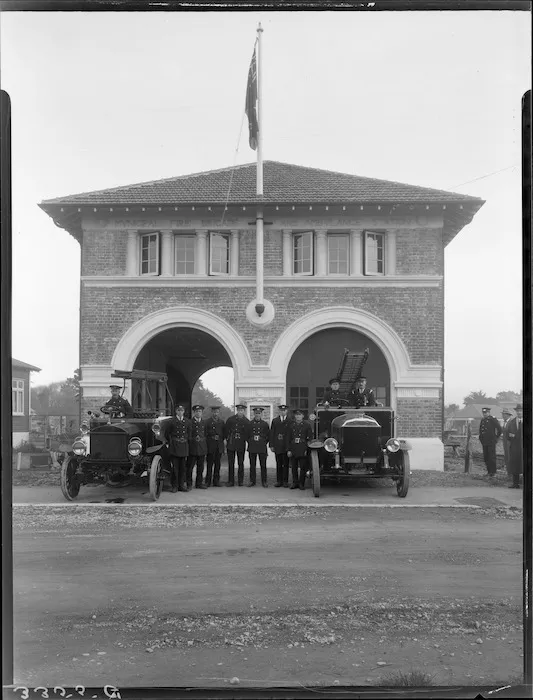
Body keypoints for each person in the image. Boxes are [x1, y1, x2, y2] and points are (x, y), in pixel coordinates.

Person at [161, 404, 191, 493]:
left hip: (184, 445)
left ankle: (181, 485)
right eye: (178, 410)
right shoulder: (171, 422)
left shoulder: (187, 422)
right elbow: (167, 433)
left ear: (184, 412)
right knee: (175, 468)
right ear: (176, 411)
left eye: (182, 411)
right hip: (174, 445)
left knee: (183, 467)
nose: (180, 412)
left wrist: (186, 441)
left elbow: (189, 433)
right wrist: (170, 442)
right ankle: (174, 485)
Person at [287, 409, 314, 490]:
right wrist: (288, 449)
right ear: (295, 416)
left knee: (303, 467)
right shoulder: (291, 425)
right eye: (297, 415)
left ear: (303, 416)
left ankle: (302, 483)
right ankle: (295, 483)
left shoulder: (307, 425)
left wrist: (307, 449)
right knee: (294, 467)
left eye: (300, 415)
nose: (298, 416)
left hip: (303, 448)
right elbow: (288, 438)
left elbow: (310, 439)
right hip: (293, 447)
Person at [224, 404, 250, 487]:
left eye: (242, 410)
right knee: (231, 463)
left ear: (244, 411)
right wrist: (226, 439)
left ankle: (240, 481)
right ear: (237, 411)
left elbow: (248, 434)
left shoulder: (246, 421)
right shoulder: (230, 420)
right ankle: (231, 481)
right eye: (239, 410)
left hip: (240, 443)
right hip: (231, 443)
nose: (240, 412)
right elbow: (226, 430)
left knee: (240, 463)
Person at [247, 407, 270, 487]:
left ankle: (264, 481)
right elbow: (247, 435)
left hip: (262, 447)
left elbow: (268, 436)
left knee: (263, 465)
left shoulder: (265, 424)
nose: (257, 415)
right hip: (252, 446)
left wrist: (262, 442)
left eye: (259, 413)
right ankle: (252, 481)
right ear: (254, 414)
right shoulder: (249, 424)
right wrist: (251, 441)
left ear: (261, 414)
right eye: (256, 413)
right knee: (252, 465)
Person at [270, 404, 292, 487]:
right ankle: (279, 481)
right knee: (279, 463)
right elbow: (272, 433)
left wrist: (290, 447)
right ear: (279, 411)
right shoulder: (275, 421)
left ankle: (285, 481)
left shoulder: (290, 421)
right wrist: (271, 445)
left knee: (286, 464)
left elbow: (291, 434)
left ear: (287, 411)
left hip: (286, 445)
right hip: (277, 445)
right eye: (281, 410)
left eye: (284, 410)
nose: (283, 412)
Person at [187, 404, 208, 490]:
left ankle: (199, 483)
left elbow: (206, 434)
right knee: (190, 467)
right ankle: (189, 484)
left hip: (202, 448)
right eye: (196, 411)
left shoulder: (204, 423)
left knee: (201, 467)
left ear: (202, 413)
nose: (198, 413)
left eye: (199, 411)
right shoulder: (189, 422)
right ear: (194, 413)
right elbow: (188, 435)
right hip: (193, 448)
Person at [478, 406, 502, 477]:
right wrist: (481, 438)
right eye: (484, 413)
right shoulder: (483, 420)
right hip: (484, 442)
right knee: (486, 457)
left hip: (491, 441)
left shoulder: (492, 419)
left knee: (492, 457)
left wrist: (496, 438)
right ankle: (489, 472)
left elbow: (499, 429)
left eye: (486, 413)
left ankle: (493, 472)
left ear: (489, 412)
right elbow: (481, 431)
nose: (485, 414)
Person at [205, 406, 225, 487]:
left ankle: (216, 481)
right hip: (210, 445)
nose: (215, 414)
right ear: (212, 412)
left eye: (217, 412)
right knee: (209, 464)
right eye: (214, 412)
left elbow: (224, 433)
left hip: (219, 445)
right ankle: (208, 481)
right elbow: (205, 434)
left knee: (218, 464)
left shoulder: (221, 422)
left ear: (218, 412)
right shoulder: (207, 422)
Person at [504, 403, 523, 489]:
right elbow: (507, 435)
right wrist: (510, 435)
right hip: (515, 447)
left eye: (521, 411)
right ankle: (515, 484)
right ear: (516, 412)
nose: (519, 412)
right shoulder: (512, 422)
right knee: (515, 465)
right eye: (518, 411)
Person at [501, 408, 513, 475]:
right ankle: (508, 472)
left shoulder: (511, 422)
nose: (502, 416)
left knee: (509, 457)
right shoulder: (504, 422)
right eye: (502, 414)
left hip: (510, 443)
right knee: (506, 457)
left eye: (503, 414)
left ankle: (511, 473)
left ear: (507, 415)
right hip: (505, 443)